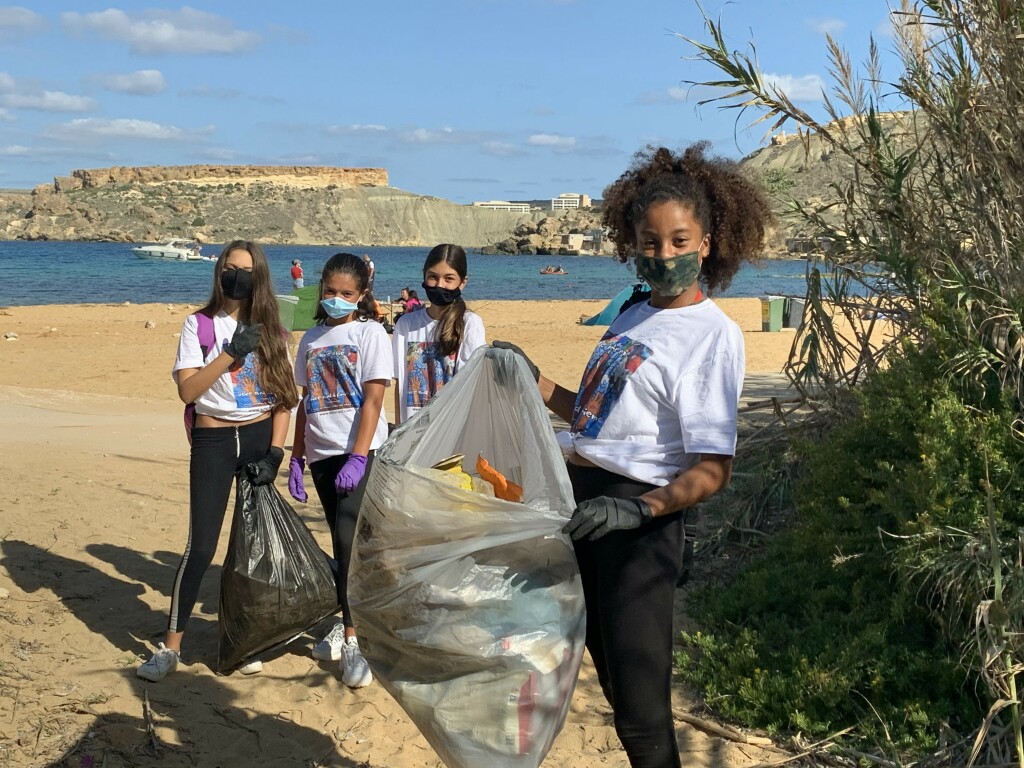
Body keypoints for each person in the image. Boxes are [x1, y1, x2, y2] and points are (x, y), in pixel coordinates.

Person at [494, 143, 774, 768]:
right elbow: (599, 420)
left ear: (707, 242)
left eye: (679, 241)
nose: (664, 255)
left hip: (635, 522)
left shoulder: (713, 335)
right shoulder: (630, 315)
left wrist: (641, 513)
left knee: (644, 714)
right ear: (632, 243)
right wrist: (533, 378)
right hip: (578, 505)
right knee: (611, 691)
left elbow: (712, 467)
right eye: (650, 242)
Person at [138, 239, 298, 682]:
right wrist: (231, 352)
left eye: (245, 270)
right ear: (218, 272)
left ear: (258, 276)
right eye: (229, 268)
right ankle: (171, 647)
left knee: (248, 550)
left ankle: (243, 644)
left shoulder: (274, 330)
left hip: (258, 437)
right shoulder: (200, 326)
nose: (236, 277)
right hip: (213, 440)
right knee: (201, 546)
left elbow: (285, 399)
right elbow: (189, 392)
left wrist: (276, 454)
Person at [286, 252, 392, 688]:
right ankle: (356, 618)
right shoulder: (310, 338)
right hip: (322, 454)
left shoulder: (369, 334)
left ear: (361, 294)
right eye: (330, 291)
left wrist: (360, 455)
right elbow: (304, 401)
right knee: (342, 541)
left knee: (349, 544)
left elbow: (374, 399)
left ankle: (353, 639)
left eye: (346, 293)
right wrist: (296, 455)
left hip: (358, 454)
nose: (336, 299)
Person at [392, 244, 486, 425]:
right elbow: (399, 385)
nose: (439, 284)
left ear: (462, 282)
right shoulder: (406, 324)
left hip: (451, 429)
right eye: (433, 277)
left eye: (448, 279)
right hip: (412, 431)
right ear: (424, 276)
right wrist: (397, 430)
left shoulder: (470, 323)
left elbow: (474, 384)